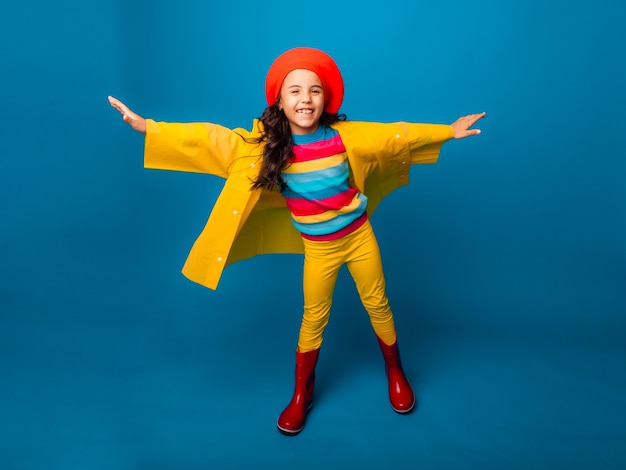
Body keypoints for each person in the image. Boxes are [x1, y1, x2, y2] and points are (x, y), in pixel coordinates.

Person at [109, 47, 485, 436]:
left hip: (359, 238)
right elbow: (210, 139)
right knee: (313, 318)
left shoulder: (346, 137)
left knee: (378, 302)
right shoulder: (263, 147)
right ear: (280, 101)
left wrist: (449, 131)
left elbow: (396, 135)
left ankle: (395, 371)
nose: (305, 98)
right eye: (295, 91)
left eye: (314, 90)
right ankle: (301, 394)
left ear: (326, 99)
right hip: (319, 249)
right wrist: (150, 127)